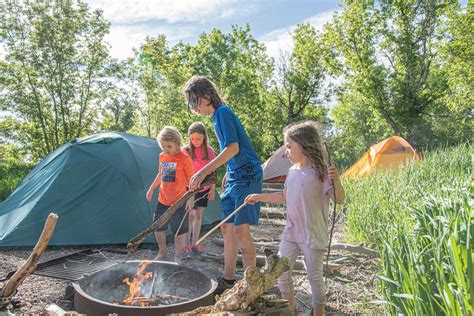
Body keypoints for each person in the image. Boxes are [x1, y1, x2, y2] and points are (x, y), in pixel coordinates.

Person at [245, 120, 345, 316]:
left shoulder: (322, 172)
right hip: (290, 231)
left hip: (312, 233)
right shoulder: (291, 171)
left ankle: (319, 311)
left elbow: (339, 199)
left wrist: (337, 180)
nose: (285, 152)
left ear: (305, 145)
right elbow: (284, 196)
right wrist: (259, 198)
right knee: (281, 271)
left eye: (289, 147)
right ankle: (289, 310)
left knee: (314, 276)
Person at [182, 75, 263, 293]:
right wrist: (228, 171)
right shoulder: (217, 117)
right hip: (236, 174)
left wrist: (202, 172)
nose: (193, 108)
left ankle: (250, 285)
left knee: (240, 229)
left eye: (194, 101)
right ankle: (229, 280)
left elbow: (233, 148)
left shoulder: (223, 112)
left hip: (247, 174)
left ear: (207, 95)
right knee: (226, 226)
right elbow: (231, 153)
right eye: (190, 104)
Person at [146, 126, 195, 264]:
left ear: (178, 143)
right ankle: (163, 252)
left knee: (179, 231)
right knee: (157, 227)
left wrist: (191, 199)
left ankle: (178, 257)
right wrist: (151, 188)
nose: (165, 149)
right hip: (163, 200)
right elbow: (161, 174)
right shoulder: (162, 156)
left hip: (179, 201)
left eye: (169, 146)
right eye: (163, 146)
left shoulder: (185, 159)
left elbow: (193, 181)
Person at [182, 121, 217, 257]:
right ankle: (186, 246)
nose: (195, 141)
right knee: (189, 215)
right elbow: (183, 172)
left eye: (198, 138)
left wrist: (213, 188)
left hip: (204, 188)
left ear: (204, 137)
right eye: (192, 139)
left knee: (198, 215)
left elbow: (213, 170)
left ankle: (195, 243)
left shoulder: (209, 151)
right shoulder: (185, 151)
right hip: (189, 189)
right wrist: (189, 193)